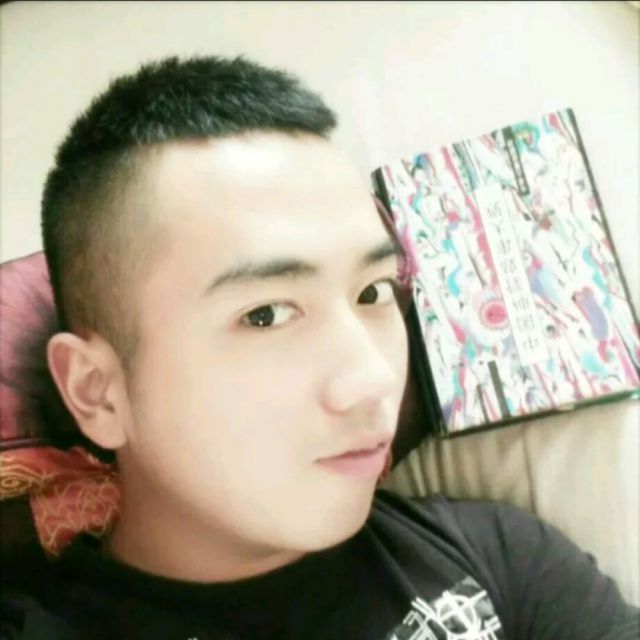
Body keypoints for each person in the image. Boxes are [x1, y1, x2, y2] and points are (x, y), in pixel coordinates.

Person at [1, 54, 638, 640]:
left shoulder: (500, 560)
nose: (373, 379)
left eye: (373, 292)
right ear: (98, 392)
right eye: (265, 314)